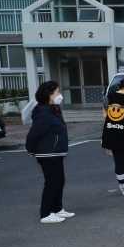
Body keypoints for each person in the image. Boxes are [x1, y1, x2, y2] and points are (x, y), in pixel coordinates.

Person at [25, 81, 74, 223]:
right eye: (57, 92)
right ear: (49, 95)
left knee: (59, 181)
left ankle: (57, 208)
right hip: (48, 153)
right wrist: (31, 149)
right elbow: (33, 134)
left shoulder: (53, 109)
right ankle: (46, 214)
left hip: (56, 152)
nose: (59, 94)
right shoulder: (43, 113)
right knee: (52, 182)